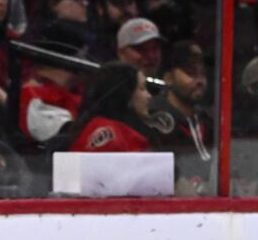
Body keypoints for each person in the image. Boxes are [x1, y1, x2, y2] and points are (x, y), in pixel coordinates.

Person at [147, 40, 211, 195]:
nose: (200, 81)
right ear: (168, 78)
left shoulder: (210, 122)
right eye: (191, 73)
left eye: (202, 74)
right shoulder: (152, 119)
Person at [17, 22, 88, 145]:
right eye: (81, 57)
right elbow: (71, 140)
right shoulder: (32, 95)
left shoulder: (80, 91)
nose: (85, 64)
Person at [65, 60, 152, 151]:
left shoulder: (103, 127)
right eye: (142, 88)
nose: (149, 96)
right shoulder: (109, 133)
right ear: (125, 95)